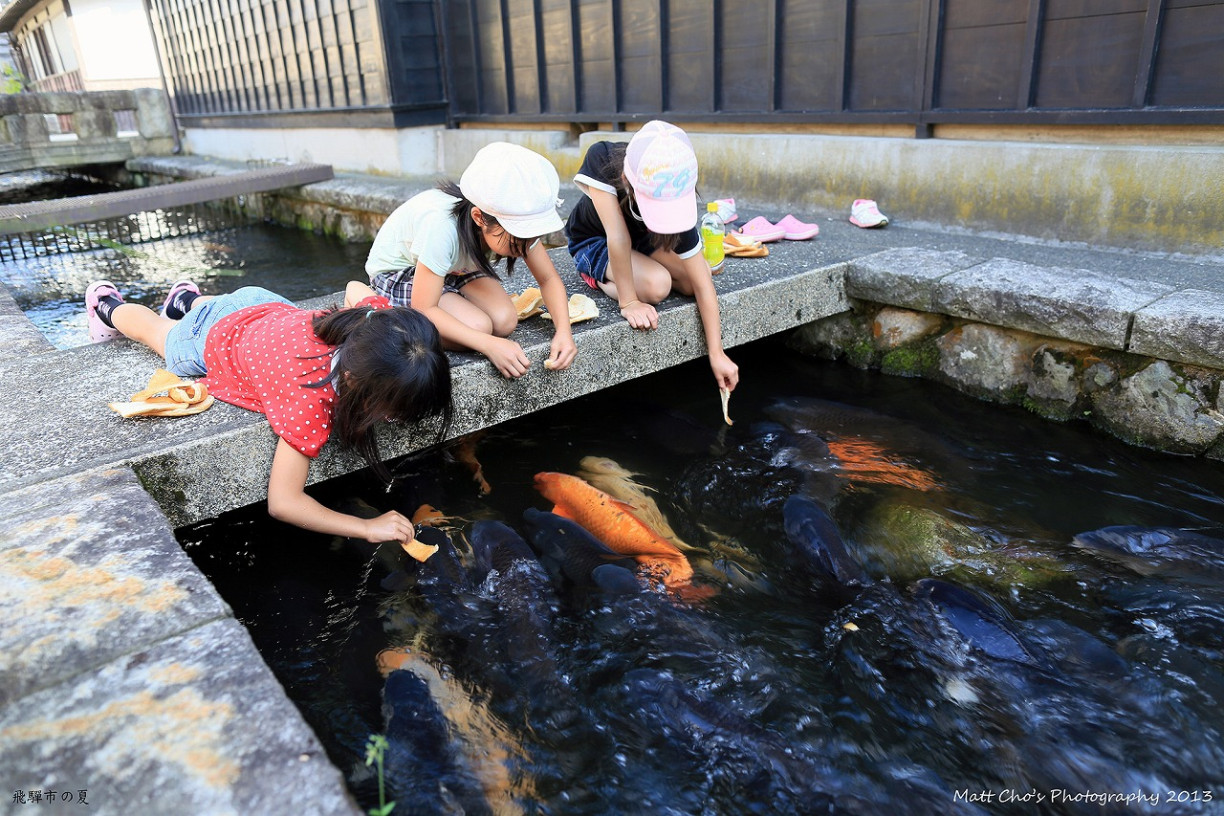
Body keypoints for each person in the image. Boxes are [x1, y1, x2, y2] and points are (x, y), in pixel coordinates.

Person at [84, 278, 454, 545]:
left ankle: (187, 298)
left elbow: (355, 285)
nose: (395, 419)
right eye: (392, 410)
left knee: (215, 306)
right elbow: (284, 502)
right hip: (213, 337)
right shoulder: (308, 399)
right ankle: (108, 306)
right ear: (355, 382)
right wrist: (367, 527)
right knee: (157, 332)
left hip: (262, 302)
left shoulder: (378, 322)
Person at [365, 142, 577, 379]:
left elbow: (548, 279)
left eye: (532, 234)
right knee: (479, 327)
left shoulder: (519, 231)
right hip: (402, 271)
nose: (527, 244)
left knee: (505, 320)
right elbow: (424, 307)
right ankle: (383, 309)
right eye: (518, 234)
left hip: (454, 269)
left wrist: (564, 332)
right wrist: (488, 345)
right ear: (479, 217)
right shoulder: (442, 227)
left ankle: (454, 305)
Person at [564, 120, 739, 392]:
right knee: (658, 285)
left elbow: (704, 283)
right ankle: (595, 275)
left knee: (696, 278)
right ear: (627, 181)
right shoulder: (602, 158)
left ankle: (639, 268)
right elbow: (617, 236)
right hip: (594, 240)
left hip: (642, 240)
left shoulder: (675, 180)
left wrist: (717, 353)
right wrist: (629, 301)